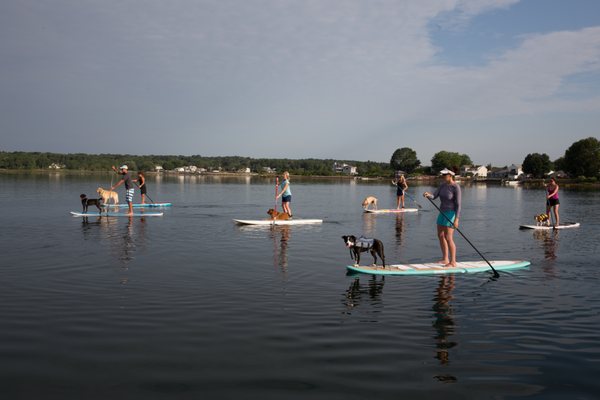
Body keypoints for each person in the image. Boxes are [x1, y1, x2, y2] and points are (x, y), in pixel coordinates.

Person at [423, 168, 461, 267]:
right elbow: (434, 196)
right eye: (442, 175)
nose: (443, 176)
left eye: (444, 175)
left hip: (451, 214)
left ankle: (453, 262)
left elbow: (458, 205)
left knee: (449, 237)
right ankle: (445, 259)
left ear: (450, 175)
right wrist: (428, 195)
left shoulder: (455, 187)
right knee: (440, 235)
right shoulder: (442, 185)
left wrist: (456, 220)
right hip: (442, 212)